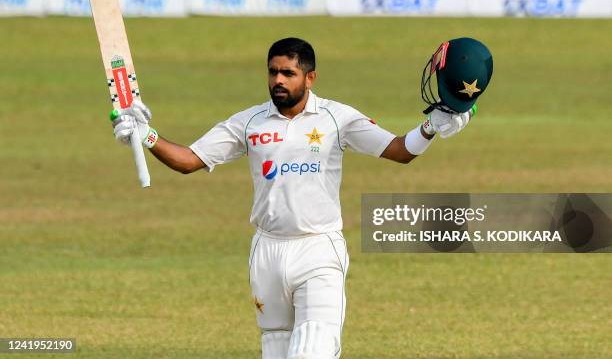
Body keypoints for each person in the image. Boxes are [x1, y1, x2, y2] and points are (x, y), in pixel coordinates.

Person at [111, 37, 493, 359]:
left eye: (288, 73)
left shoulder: (335, 118)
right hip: (267, 254)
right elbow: (189, 161)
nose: (278, 80)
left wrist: (429, 127)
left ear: (309, 77)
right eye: (273, 72)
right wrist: (146, 135)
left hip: (318, 250)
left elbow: (398, 150)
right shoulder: (249, 122)